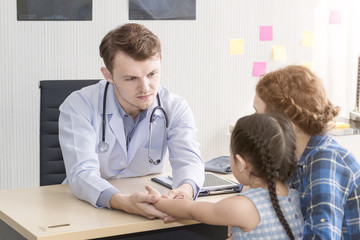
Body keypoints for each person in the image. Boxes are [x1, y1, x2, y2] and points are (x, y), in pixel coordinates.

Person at [58, 23, 204, 219]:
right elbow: (81, 173)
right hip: (86, 210)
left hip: (150, 205)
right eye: (131, 79)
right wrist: (122, 202)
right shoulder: (79, 105)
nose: (145, 88)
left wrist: (185, 191)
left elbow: (190, 161)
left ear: (160, 61)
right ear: (108, 75)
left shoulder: (174, 107)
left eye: (152, 74)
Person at [147, 113, 305, 239]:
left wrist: (158, 201)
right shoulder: (297, 196)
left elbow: (191, 210)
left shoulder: (243, 206)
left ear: (241, 163)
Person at [254, 65, 360, 239]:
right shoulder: (297, 157)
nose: (253, 123)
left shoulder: (324, 160)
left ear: (286, 125)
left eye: (258, 114)